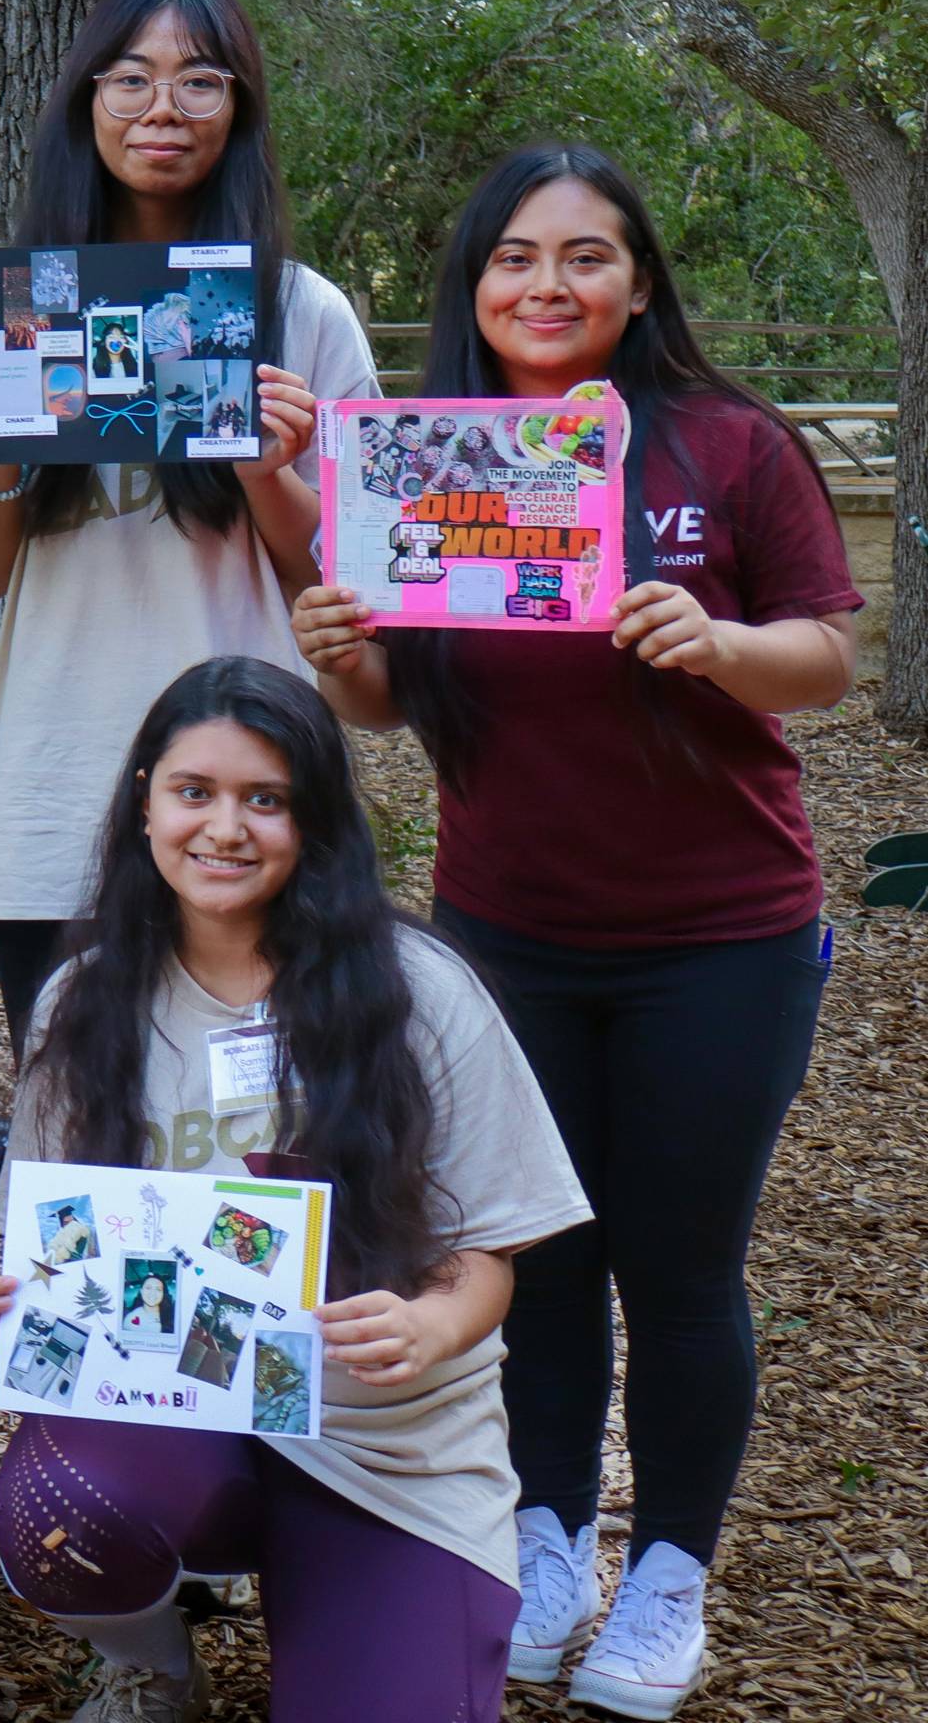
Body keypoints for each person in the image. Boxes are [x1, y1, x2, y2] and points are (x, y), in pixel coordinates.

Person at [291, 144, 858, 1720]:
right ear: (473, 290)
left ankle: (670, 1570)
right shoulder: (429, 457)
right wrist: (337, 652)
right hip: (505, 937)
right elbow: (398, 708)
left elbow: (825, 660)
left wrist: (721, 639)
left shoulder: (728, 446)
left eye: (588, 257)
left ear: (640, 281)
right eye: (515, 260)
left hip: (720, 940)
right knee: (532, 1261)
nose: (550, 286)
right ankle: (544, 1538)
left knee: (681, 1269)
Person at [0, 656, 591, 1723]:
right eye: (194, 791)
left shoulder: (418, 990)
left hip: (391, 1438)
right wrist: (10, 1305)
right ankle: (153, 1667)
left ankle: (354, 1596)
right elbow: (51, 1249)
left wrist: (430, 1327)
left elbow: (487, 1256)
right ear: (146, 800)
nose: (225, 828)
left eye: (266, 799)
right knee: (62, 1506)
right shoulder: (84, 996)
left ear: (315, 823)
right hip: (178, 1419)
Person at [0, 0, 380, 1056]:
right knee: (78, 1129)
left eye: (200, 80)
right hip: (60, 787)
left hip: (252, 793)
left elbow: (353, 580)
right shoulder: (19, 316)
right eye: (129, 79)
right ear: (85, 103)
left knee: (258, 1126)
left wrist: (272, 469)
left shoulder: (301, 312)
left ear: (243, 110)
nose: (162, 108)